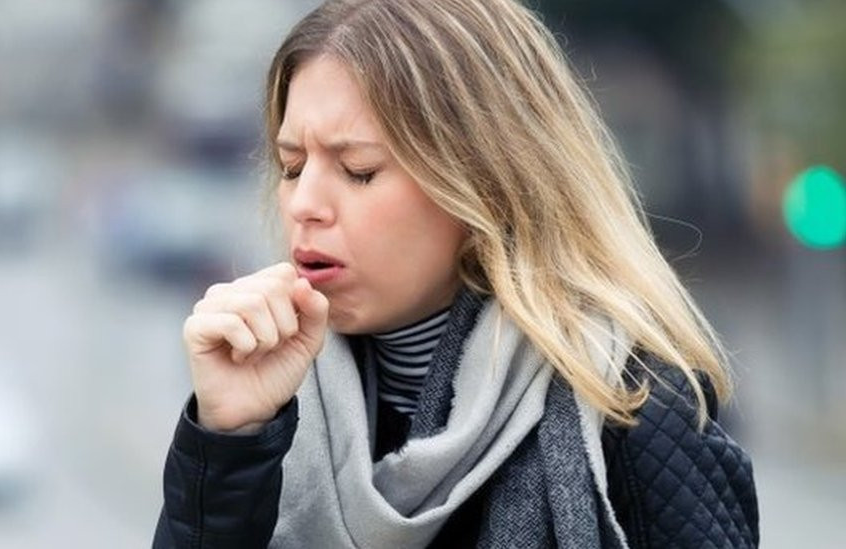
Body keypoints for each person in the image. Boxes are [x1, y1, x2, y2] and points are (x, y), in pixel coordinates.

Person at [153, 0, 759, 547]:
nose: (304, 203)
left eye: (358, 170)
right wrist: (228, 442)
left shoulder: (635, 405)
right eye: (291, 166)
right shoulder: (268, 403)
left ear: (483, 182)